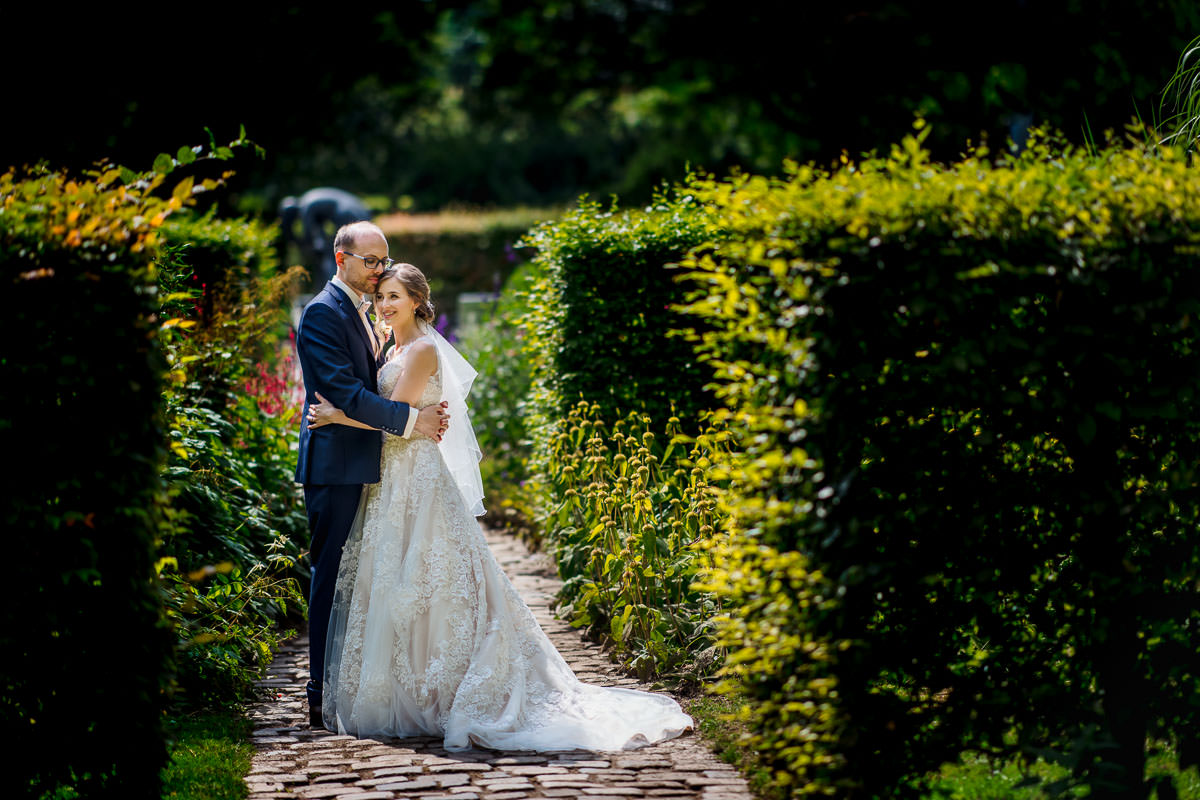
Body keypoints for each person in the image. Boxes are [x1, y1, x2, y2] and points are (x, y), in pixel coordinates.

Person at [306, 264, 694, 751]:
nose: (385, 305)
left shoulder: (423, 348)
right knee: (397, 580)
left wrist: (338, 415)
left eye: (395, 297)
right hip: (393, 478)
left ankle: (446, 686)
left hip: (419, 479)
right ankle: (408, 685)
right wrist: (407, 418)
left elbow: (396, 418)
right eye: (381, 296)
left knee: (432, 578)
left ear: (417, 301)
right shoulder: (393, 346)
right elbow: (405, 417)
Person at [294, 221, 450, 730]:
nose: (379, 270)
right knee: (330, 577)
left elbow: (372, 389)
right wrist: (413, 421)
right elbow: (343, 391)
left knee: (364, 580)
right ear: (341, 259)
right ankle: (320, 690)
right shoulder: (321, 312)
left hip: (375, 463)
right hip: (336, 467)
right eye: (371, 261)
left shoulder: (367, 313)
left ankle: (360, 680)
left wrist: (406, 417)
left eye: (384, 261)